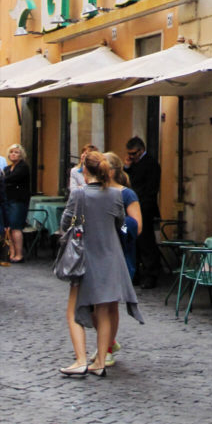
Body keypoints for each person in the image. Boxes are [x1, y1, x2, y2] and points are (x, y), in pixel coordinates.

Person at [59, 149, 144, 378]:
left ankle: (80, 360)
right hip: (110, 255)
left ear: (85, 170)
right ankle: (99, 362)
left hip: (84, 257)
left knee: (74, 310)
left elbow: (65, 222)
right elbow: (119, 223)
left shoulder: (79, 194)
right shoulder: (116, 196)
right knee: (105, 310)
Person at [124, 136, 161, 289]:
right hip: (132, 208)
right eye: (129, 154)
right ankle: (135, 274)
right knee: (133, 242)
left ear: (141, 150)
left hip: (144, 208)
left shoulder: (151, 164)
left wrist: (141, 207)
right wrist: (127, 167)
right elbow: (127, 181)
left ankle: (151, 275)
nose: (130, 157)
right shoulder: (133, 164)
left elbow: (151, 190)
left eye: (133, 153)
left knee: (146, 243)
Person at [4, 143, 31, 263]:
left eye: (16, 152)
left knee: (16, 227)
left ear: (21, 155)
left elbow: (10, 179)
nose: (13, 154)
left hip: (18, 201)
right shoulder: (7, 168)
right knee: (8, 228)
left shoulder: (23, 167)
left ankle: (19, 254)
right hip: (8, 200)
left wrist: (3, 180)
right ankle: (12, 252)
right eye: (11, 152)